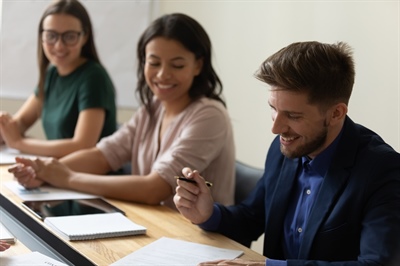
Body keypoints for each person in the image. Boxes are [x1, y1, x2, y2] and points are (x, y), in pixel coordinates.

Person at [174, 41, 400, 265]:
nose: (276, 128)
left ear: (336, 114)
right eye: (273, 109)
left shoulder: (382, 169)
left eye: (293, 116)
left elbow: (377, 264)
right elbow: (252, 217)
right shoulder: (284, 147)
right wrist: (207, 214)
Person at [8, 13, 235, 209]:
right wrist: (42, 172)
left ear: (198, 65)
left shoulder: (209, 115)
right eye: (154, 63)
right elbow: (103, 155)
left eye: (177, 65)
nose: (163, 75)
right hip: (156, 227)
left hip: (200, 241)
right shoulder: (152, 108)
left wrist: (68, 177)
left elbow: (154, 189)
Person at [0, 0, 117, 159]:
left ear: (84, 36)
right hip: (58, 174)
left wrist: (19, 143)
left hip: (87, 178)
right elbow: (20, 123)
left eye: (69, 37)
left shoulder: (94, 77)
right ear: (42, 36)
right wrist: (5, 127)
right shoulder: (52, 73)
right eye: (51, 36)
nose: (59, 46)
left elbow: (82, 145)